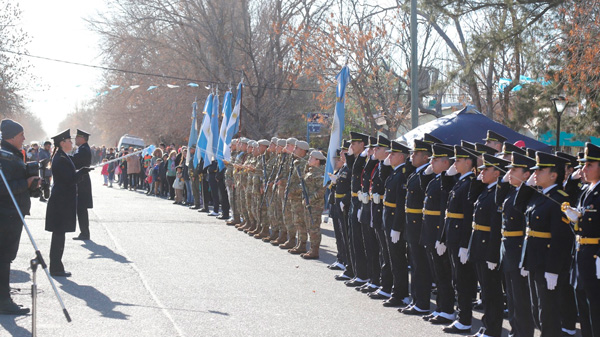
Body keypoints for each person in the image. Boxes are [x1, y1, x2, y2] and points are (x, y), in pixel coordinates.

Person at [516, 151, 573, 337]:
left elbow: (561, 239)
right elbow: (519, 206)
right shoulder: (538, 195)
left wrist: (553, 270)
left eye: (540, 170)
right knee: (537, 311)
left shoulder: (560, 199)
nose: (535, 174)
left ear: (553, 175)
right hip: (534, 261)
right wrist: (527, 185)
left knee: (548, 314)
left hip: (548, 264)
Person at [0, 119, 38, 315]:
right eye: (21, 134)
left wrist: (31, 185)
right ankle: (3, 301)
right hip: (6, 214)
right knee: (4, 256)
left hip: (12, 213)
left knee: (6, 257)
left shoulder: (12, 155)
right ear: (12, 137)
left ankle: (3, 295)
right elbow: (3, 187)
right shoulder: (4, 157)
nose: (24, 138)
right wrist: (27, 182)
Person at [564, 142, 600, 337]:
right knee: (584, 309)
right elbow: (579, 227)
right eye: (584, 164)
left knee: (596, 309)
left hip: (595, 257)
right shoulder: (586, 191)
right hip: (581, 256)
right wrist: (574, 219)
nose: (584, 169)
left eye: (589, 165)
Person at [45, 129, 92, 277]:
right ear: (62, 143)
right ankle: (56, 268)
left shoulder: (63, 156)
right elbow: (68, 180)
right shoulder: (61, 158)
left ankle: (57, 266)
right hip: (61, 202)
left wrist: (81, 172)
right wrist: (81, 173)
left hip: (62, 200)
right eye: (69, 141)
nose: (72, 143)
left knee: (60, 235)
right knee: (58, 235)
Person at [72, 129, 93, 241]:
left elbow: (75, 161)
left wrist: (64, 157)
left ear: (82, 138)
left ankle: (85, 233)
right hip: (81, 179)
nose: (75, 139)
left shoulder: (84, 149)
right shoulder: (82, 148)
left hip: (82, 180)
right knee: (80, 208)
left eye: (77, 137)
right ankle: (84, 232)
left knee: (81, 207)